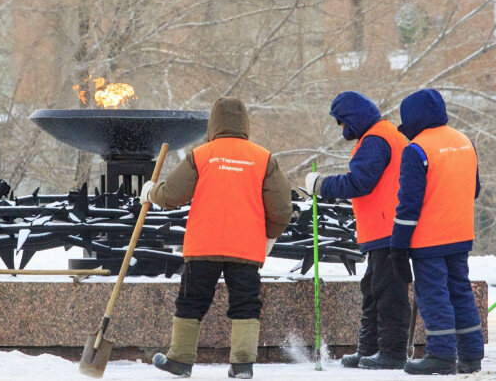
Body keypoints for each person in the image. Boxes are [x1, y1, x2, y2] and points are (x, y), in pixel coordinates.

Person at [139, 97, 293, 379]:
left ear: (213, 124)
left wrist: (151, 191)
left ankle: (180, 360)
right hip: (245, 247)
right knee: (246, 301)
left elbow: (172, 195)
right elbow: (282, 208)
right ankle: (243, 364)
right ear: (245, 124)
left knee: (191, 300)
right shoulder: (263, 158)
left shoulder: (201, 154)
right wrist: (270, 236)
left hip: (204, 244)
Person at [304, 91, 410, 370]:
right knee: (374, 288)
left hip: (388, 228)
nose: (341, 129)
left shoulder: (376, 138)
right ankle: (370, 349)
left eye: (341, 123)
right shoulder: (382, 135)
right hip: (383, 228)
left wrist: (322, 186)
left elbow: (360, 182)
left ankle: (392, 352)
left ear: (352, 119)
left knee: (388, 292)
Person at [390, 89, 483, 375]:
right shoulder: (464, 141)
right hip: (460, 233)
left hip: (428, 238)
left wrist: (399, 244)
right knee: (460, 292)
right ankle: (472, 355)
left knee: (434, 295)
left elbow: (409, 203)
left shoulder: (416, 150)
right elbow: (475, 189)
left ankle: (441, 356)